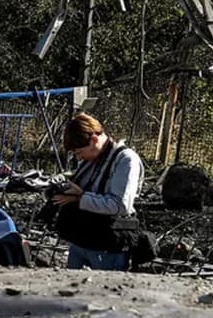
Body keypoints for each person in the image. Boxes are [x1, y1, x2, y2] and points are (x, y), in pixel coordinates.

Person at [49, 111, 147, 271]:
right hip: (81, 238)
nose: (79, 158)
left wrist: (80, 198)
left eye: (79, 152)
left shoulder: (126, 160)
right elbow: (85, 183)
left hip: (107, 245)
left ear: (94, 140)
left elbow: (120, 205)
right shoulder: (92, 157)